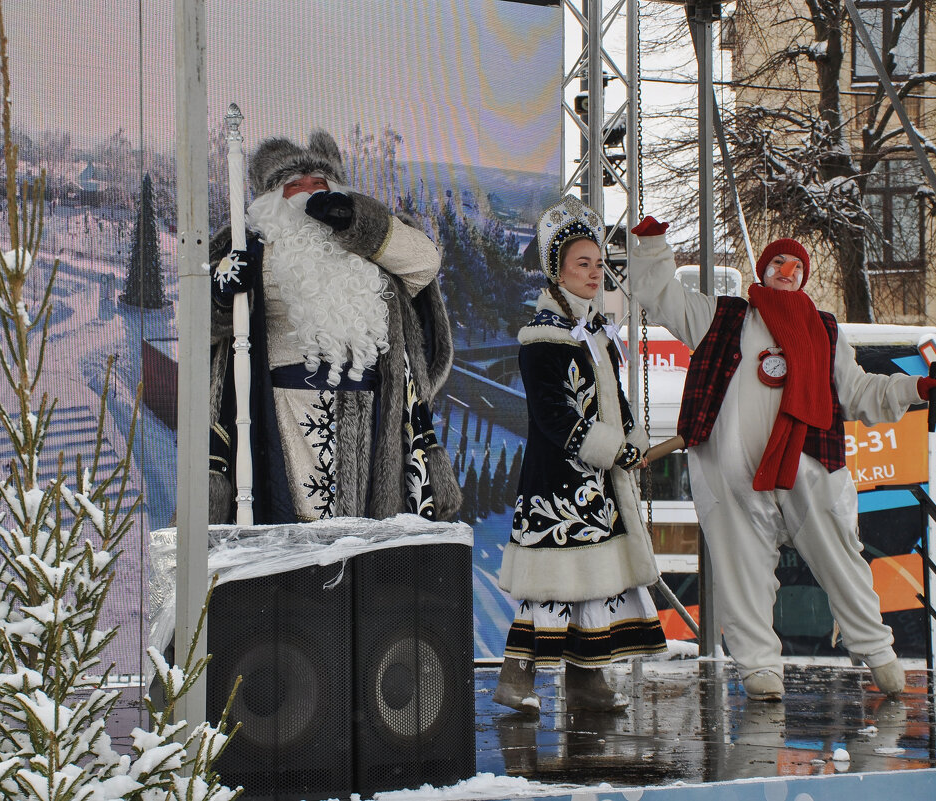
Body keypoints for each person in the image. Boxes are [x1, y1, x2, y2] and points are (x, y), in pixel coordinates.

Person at [628, 216, 936, 701]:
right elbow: (661, 296)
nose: (787, 270)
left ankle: (878, 651)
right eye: (777, 263)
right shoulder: (722, 317)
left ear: (804, 276)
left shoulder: (824, 331)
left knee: (843, 562)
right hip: (733, 475)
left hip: (811, 470)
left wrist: (914, 387)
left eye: (795, 265)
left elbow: (860, 391)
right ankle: (760, 668)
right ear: (761, 272)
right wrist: (654, 246)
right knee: (741, 571)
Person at [207, 129, 460, 524]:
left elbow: (425, 263)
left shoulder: (369, 244)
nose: (308, 192)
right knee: (293, 534)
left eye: (318, 184)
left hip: (372, 411)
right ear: (274, 199)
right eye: (295, 185)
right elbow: (202, 331)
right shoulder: (246, 247)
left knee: (363, 538)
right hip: (284, 410)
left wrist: (358, 220)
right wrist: (221, 296)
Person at [494, 195, 667, 714]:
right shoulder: (542, 341)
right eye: (582, 265)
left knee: (596, 583)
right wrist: (611, 449)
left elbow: (615, 403)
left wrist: (631, 439)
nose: (595, 274)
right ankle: (515, 680)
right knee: (553, 584)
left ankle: (586, 683)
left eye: (599, 264)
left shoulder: (597, 336)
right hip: (558, 485)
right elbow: (555, 417)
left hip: (599, 486)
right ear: (557, 273)